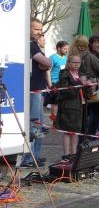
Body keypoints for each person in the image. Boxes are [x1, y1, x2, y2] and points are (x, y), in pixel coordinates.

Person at [20, 19, 51, 167]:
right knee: (33, 124)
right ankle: (28, 158)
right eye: (36, 29)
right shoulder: (30, 45)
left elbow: (45, 64)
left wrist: (45, 64)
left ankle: (35, 156)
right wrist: (46, 63)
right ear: (29, 28)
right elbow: (47, 63)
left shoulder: (35, 44)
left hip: (38, 89)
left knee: (38, 125)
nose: (40, 32)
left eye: (41, 29)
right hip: (32, 90)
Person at [50, 54, 87, 160]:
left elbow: (86, 92)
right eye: (74, 62)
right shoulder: (64, 74)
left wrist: (87, 85)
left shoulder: (81, 74)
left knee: (76, 132)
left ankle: (74, 154)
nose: (76, 64)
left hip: (79, 107)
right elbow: (67, 92)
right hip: (68, 107)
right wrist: (79, 83)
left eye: (78, 62)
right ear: (69, 63)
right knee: (67, 132)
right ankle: (66, 155)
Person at [83, 35, 99, 137]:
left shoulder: (95, 55)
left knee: (92, 114)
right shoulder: (91, 55)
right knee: (96, 114)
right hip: (92, 89)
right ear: (91, 44)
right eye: (96, 42)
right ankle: (89, 136)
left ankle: (87, 136)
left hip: (94, 88)